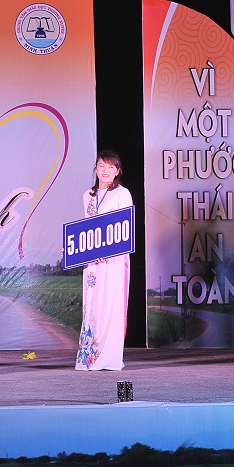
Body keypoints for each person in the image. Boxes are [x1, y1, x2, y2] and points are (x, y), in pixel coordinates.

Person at [75, 149, 133, 371]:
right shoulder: (87, 196)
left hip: (113, 259)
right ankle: (89, 356)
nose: (105, 170)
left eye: (111, 167)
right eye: (101, 165)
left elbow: (124, 229)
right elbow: (86, 228)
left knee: (111, 304)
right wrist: (75, 247)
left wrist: (106, 251)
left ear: (117, 171)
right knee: (92, 304)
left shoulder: (122, 194)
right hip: (93, 261)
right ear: (96, 169)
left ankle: (109, 357)